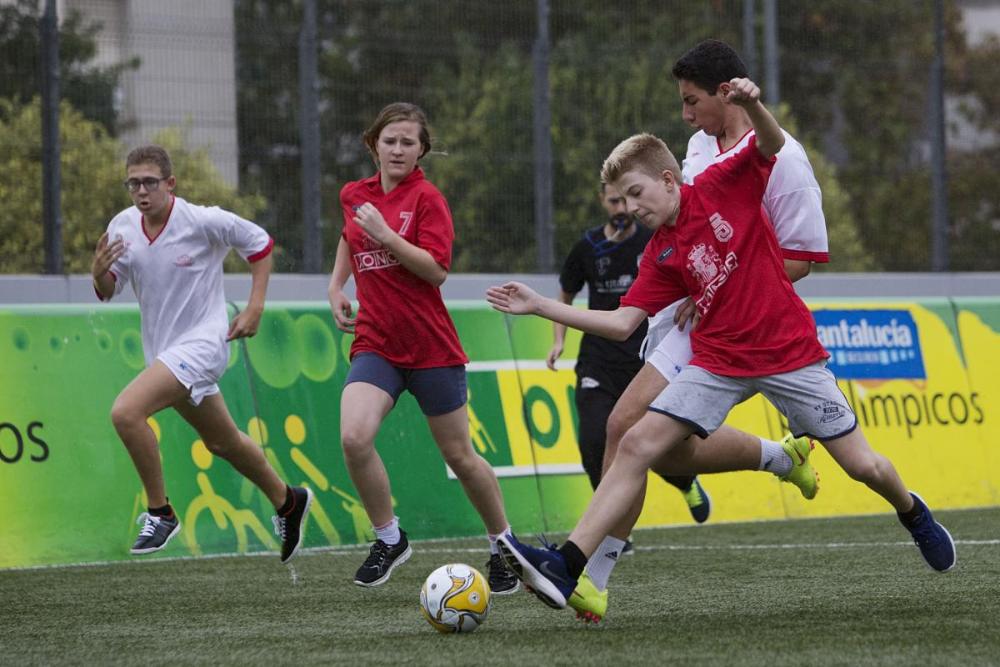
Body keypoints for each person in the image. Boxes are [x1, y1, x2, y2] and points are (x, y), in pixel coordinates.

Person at [487, 76, 956, 614]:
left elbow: (772, 145)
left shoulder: (720, 184)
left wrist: (754, 105)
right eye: (622, 200)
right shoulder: (661, 252)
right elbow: (621, 323)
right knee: (636, 442)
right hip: (719, 363)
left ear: (669, 179)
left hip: (790, 355)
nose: (631, 208)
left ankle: (912, 512)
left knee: (863, 467)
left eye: (637, 194)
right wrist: (540, 305)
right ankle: (566, 567)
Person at [569, 39, 832, 623]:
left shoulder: (783, 157)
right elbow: (689, 228)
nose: (686, 114)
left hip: (737, 316)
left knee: (627, 430)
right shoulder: (693, 148)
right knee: (653, 445)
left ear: (726, 92)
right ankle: (779, 458)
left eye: (692, 101)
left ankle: (590, 575)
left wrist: (713, 281)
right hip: (686, 310)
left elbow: (801, 258)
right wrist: (689, 283)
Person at [327, 102, 518, 593]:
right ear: (374, 144)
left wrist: (387, 235)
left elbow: (436, 270)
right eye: (389, 140)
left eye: (407, 142)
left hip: (431, 347)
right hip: (376, 344)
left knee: (461, 456)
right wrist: (336, 287)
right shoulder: (355, 195)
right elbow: (351, 237)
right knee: (353, 437)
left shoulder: (428, 199)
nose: (397, 149)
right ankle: (389, 538)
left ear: (421, 151)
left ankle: (503, 546)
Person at [92, 145, 313, 563]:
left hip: (204, 345)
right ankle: (288, 500)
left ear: (170, 184)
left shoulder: (202, 219)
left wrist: (254, 306)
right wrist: (97, 270)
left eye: (150, 182)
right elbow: (107, 290)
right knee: (223, 442)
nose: (141, 191)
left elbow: (261, 245)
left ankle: (160, 513)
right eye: (133, 183)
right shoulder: (122, 226)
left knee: (125, 413)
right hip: (164, 351)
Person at [549, 181, 711, 529]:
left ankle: (685, 481)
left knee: (666, 450)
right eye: (614, 201)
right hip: (598, 362)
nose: (622, 208)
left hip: (647, 360)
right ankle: (609, 527)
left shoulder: (652, 243)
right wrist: (558, 340)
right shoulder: (588, 247)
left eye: (628, 200)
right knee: (594, 439)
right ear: (602, 201)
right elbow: (566, 293)